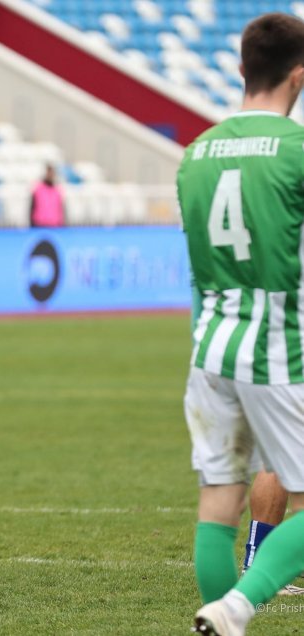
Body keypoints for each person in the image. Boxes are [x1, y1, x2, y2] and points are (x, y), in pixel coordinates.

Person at [177, 13, 304, 634]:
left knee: (217, 506)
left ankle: (223, 613)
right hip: (281, 345)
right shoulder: (297, 149)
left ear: (240, 70)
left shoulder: (196, 152)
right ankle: (239, 604)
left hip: (211, 346)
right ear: (299, 75)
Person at [29, 164, 64, 228]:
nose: (50, 175)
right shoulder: (38, 189)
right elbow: (32, 207)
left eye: (52, 173)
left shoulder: (58, 190)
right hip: (39, 224)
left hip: (55, 224)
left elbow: (61, 208)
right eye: (48, 172)